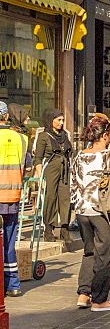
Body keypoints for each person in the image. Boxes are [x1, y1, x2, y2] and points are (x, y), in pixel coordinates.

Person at [70, 116, 110, 311]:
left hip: (82, 210)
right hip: (99, 210)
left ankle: (84, 294)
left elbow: (73, 183)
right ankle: (100, 299)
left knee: (89, 250)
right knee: (105, 253)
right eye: (108, 133)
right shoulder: (109, 155)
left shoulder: (79, 155)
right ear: (103, 135)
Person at [0, 101, 29, 296]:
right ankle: (12, 285)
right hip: (12, 196)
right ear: (6, 116)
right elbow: (27, 169)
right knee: (9, 241)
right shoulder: (21, 139)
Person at [33, 108, 73, 243]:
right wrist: (40, 177)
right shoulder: (44, 136)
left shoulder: (65, 135)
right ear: (51, 121)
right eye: (59, 120)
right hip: (50, 169)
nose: (61, 123)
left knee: (65, 198)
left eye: (62, 120)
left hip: (64, 170)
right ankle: (48, 228)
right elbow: (38, 158)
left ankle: (64, 228)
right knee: (50, 198)